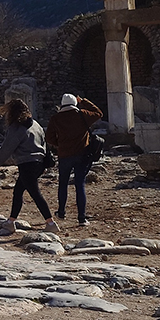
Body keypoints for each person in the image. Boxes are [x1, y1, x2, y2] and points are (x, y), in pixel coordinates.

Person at [0, 98, 60, 235]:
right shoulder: (36, 125)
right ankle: (10, 222)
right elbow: (44, 143)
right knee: (18, 192)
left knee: (35, 194)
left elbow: (7, 147)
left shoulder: (17, 128)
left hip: (27, 164)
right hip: (39, 163)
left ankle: (50, 223)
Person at [45, 93, 103, 226]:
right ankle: (82, 217)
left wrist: (60, 144)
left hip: (64, 155)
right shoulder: (82, 115)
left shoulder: (56, 118)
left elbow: (49, 138)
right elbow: (99, 113)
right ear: (75, 103)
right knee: (79, 185)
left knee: (63, 184)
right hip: (82, 155)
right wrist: (84, 101)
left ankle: (61, 212)